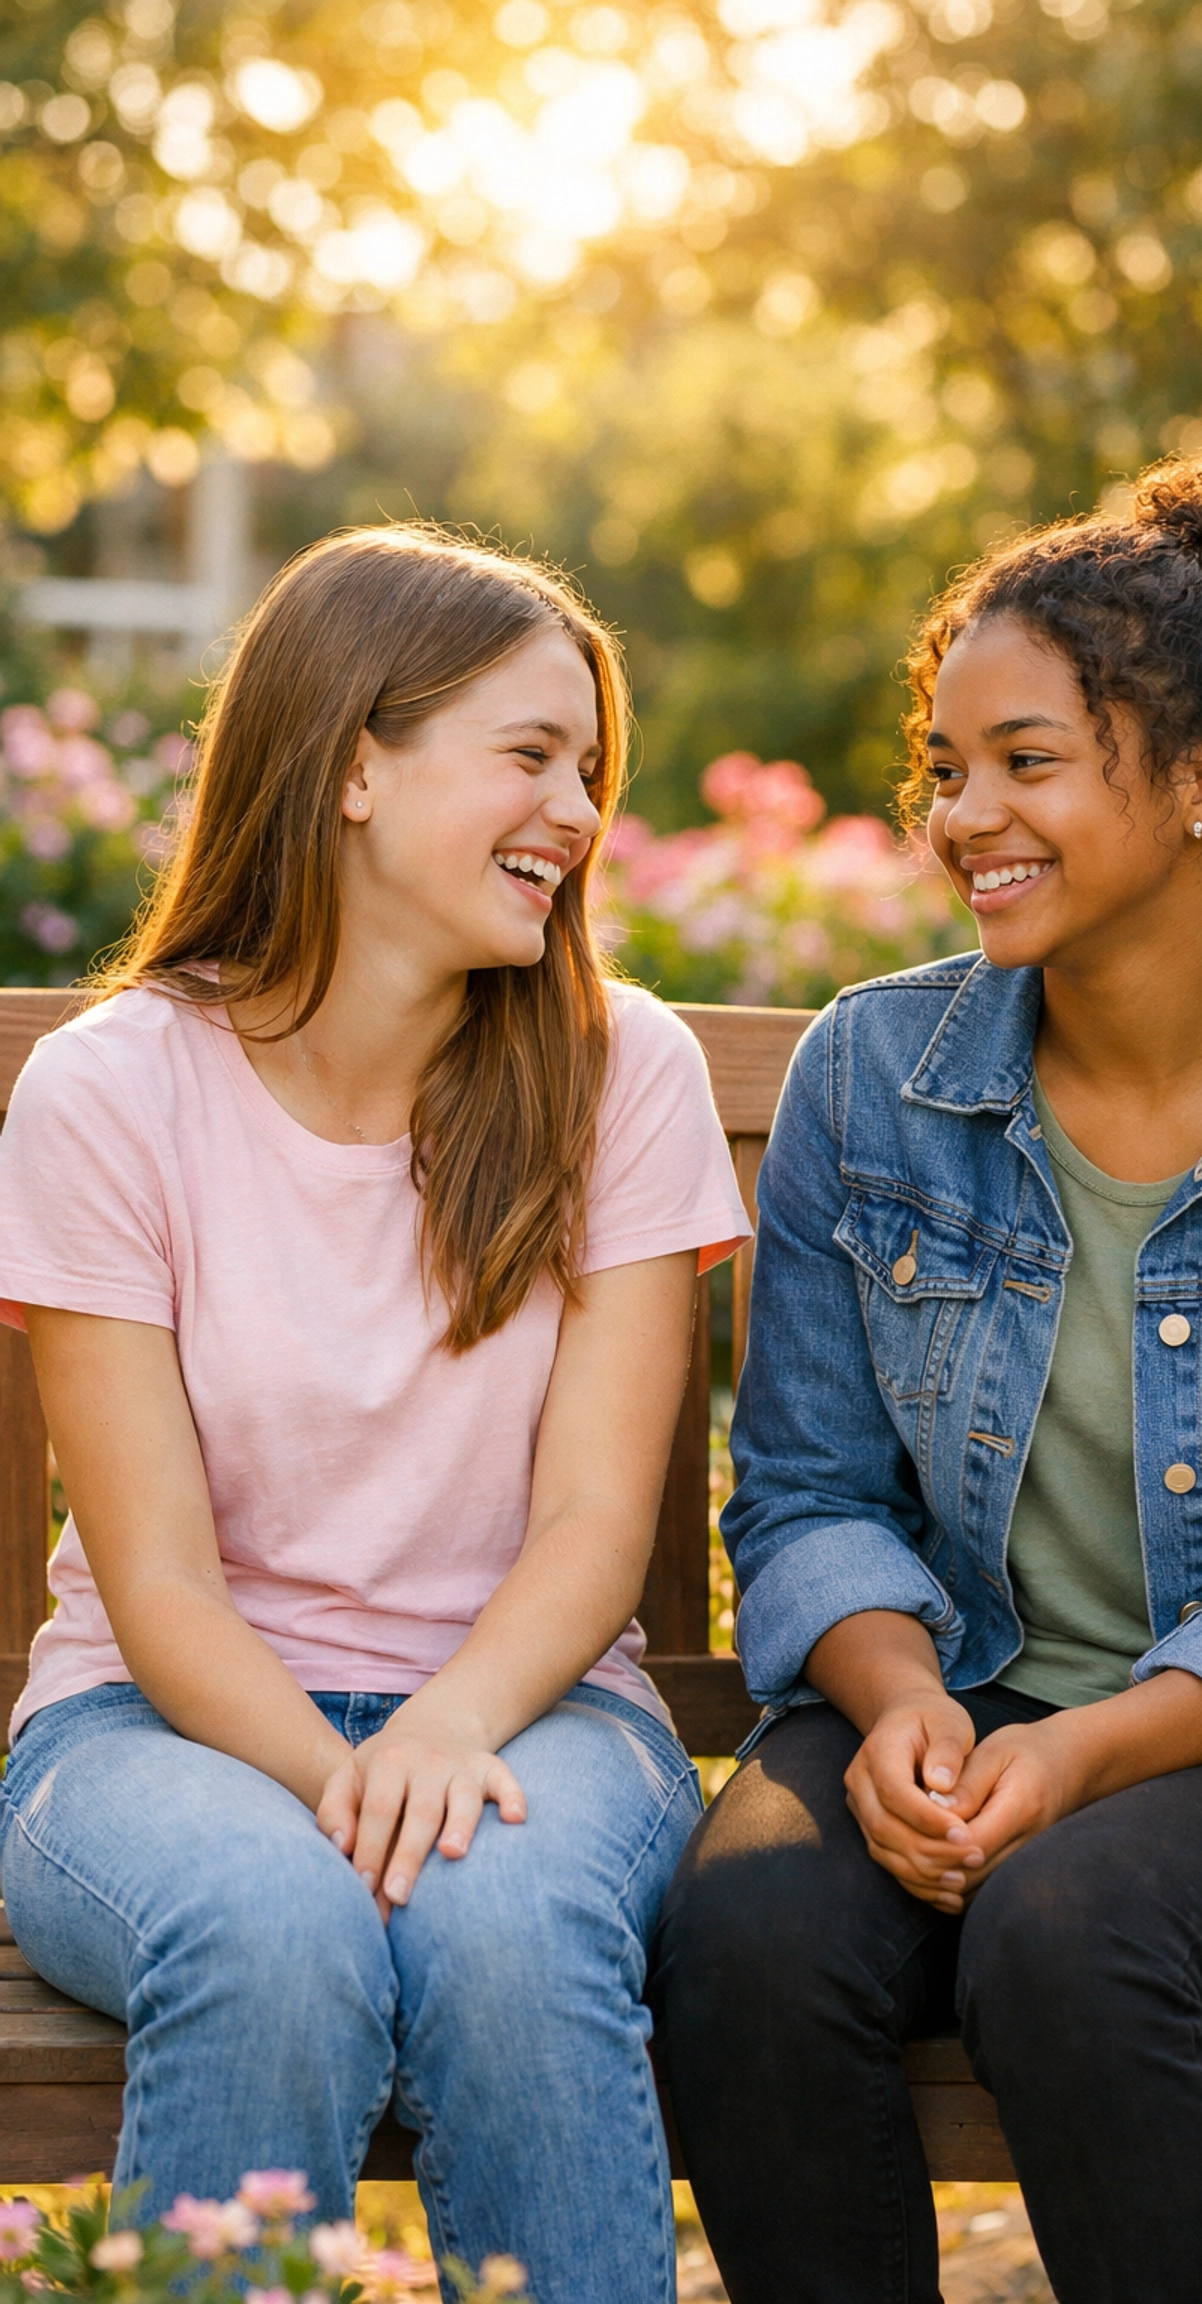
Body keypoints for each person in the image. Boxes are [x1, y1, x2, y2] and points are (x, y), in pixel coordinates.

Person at [652, 453, 1202, 2304]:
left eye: (1028, 761)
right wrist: (897, 1709)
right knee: (741, 1933)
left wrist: (1090, 1753)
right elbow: (803, 1492)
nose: (967, 816)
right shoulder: (871, 1079)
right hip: (950, 1711)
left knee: (1064, 1925)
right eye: (947, 768)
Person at [0, 527, 749, 2304]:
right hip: (153, 1733)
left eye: (590, 769)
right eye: (529, 755)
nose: (575, 811)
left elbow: (589, 1531)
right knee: (273, 1929)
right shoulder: (113, 1093)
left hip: (537, 1712)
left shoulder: (616, 1068)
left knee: (500, 1925)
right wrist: (347, 1785)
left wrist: (442, 1732)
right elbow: (162, 1583)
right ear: (352, 763)